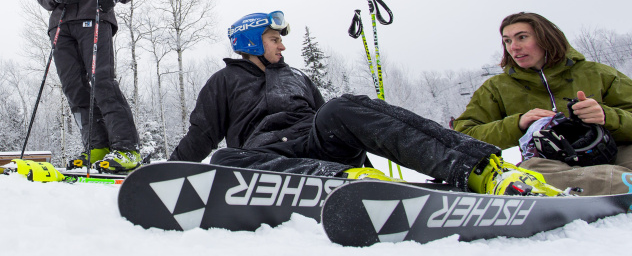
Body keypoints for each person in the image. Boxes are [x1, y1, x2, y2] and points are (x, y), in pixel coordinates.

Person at [169, 10, 564, 197]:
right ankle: (344, 181)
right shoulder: (225, 80)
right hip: (270, 157)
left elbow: (343, 124)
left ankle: (480, 169)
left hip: (315, 143)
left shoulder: (297, 77)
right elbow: (203, 133)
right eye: (275, 39)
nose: (283, 45)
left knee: (343, 107)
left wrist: (367, 163)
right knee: (224, 160)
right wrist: (168, 174)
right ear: (253, 42)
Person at [454, 12, 632, 201]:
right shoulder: (496, 88)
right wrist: (517, 124)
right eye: (507, 41)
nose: (513, 47)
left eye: (522, 37)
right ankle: (622, 186)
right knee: (530, 174)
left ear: (546, 38)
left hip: (615, 152)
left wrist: (608, 117)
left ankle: (614, 185)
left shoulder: (597, 73)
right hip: (552, 166)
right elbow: (463, 134)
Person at [34, 0, 141, 173]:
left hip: (94, 19)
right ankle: (96, 148)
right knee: (75, 89)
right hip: (60, 26)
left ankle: (126, 149)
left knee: (101, 82)